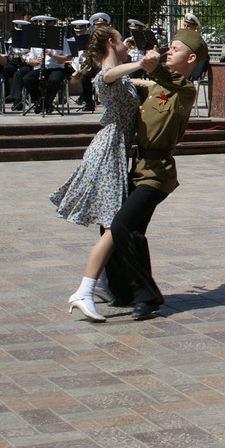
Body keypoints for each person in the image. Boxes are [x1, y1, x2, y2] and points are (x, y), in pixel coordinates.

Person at [104, 28, 205, 321]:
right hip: (137, 169)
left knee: (122, 226)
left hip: (158, 173)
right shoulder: (152, 87)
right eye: (168, 47)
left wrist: (153, 64)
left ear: (192, 58)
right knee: (119, 229)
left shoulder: (186, 90)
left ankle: (148, 294)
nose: (170, 51)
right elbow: (120, 80)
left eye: (176, 48)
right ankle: (123, 291)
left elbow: (164, 78)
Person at [53, 25, 152, 322]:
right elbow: (107, 77)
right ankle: (84, 290)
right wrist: (141, 64)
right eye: (122, 40)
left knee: (113, 222)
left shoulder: (121, 75)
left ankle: (107, 286)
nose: (125, 44)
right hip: (109, 150)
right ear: (112, 42)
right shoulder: (106, 75)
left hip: (117, 149)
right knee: (114, 225)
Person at [21, 16, 71, 114]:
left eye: (47, 24)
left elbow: (68, 57)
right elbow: (30, 59)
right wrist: (35, 61)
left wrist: (53, 55)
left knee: (55, 79)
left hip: (56, 67)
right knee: (27, 79)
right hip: (40, 67)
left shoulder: (61, 38)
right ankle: (40, 101)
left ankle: (46, 103)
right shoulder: (35, 39)